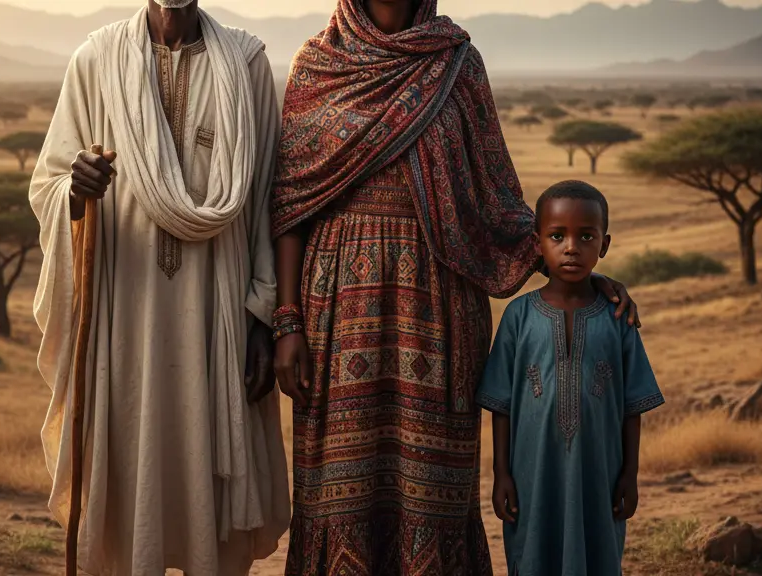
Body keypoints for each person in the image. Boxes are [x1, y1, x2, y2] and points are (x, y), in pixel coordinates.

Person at [269, 1, 642, 573]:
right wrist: (288, 322)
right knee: (339, 489)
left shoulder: (457, 64)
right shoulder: (318, 64)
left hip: (438, 305)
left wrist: (582, 278)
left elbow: (496, 197)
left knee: (432, 489)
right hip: (339, 309)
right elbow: (291, 204)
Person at [28, 1, 290, 574]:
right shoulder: (96, 60)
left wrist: (261, 317)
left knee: (211, 502)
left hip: (217, 314)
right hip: (126, 315)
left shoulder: (247, 65)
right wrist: (74, 189)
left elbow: (270, 202)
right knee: (125, 487)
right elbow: (48, 182)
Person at [477, 180, 666, 576]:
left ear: (605, 244)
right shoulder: (518, 317)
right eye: (557, 235)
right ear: (537, 242)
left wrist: (630, 476)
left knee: (597, 554)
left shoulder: (619, 319)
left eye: (586, 236)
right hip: (532, 474)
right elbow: (501, 406)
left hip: (599, 473)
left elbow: (633, 407)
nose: (571, 247)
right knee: (532, 554)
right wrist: (501, 475)